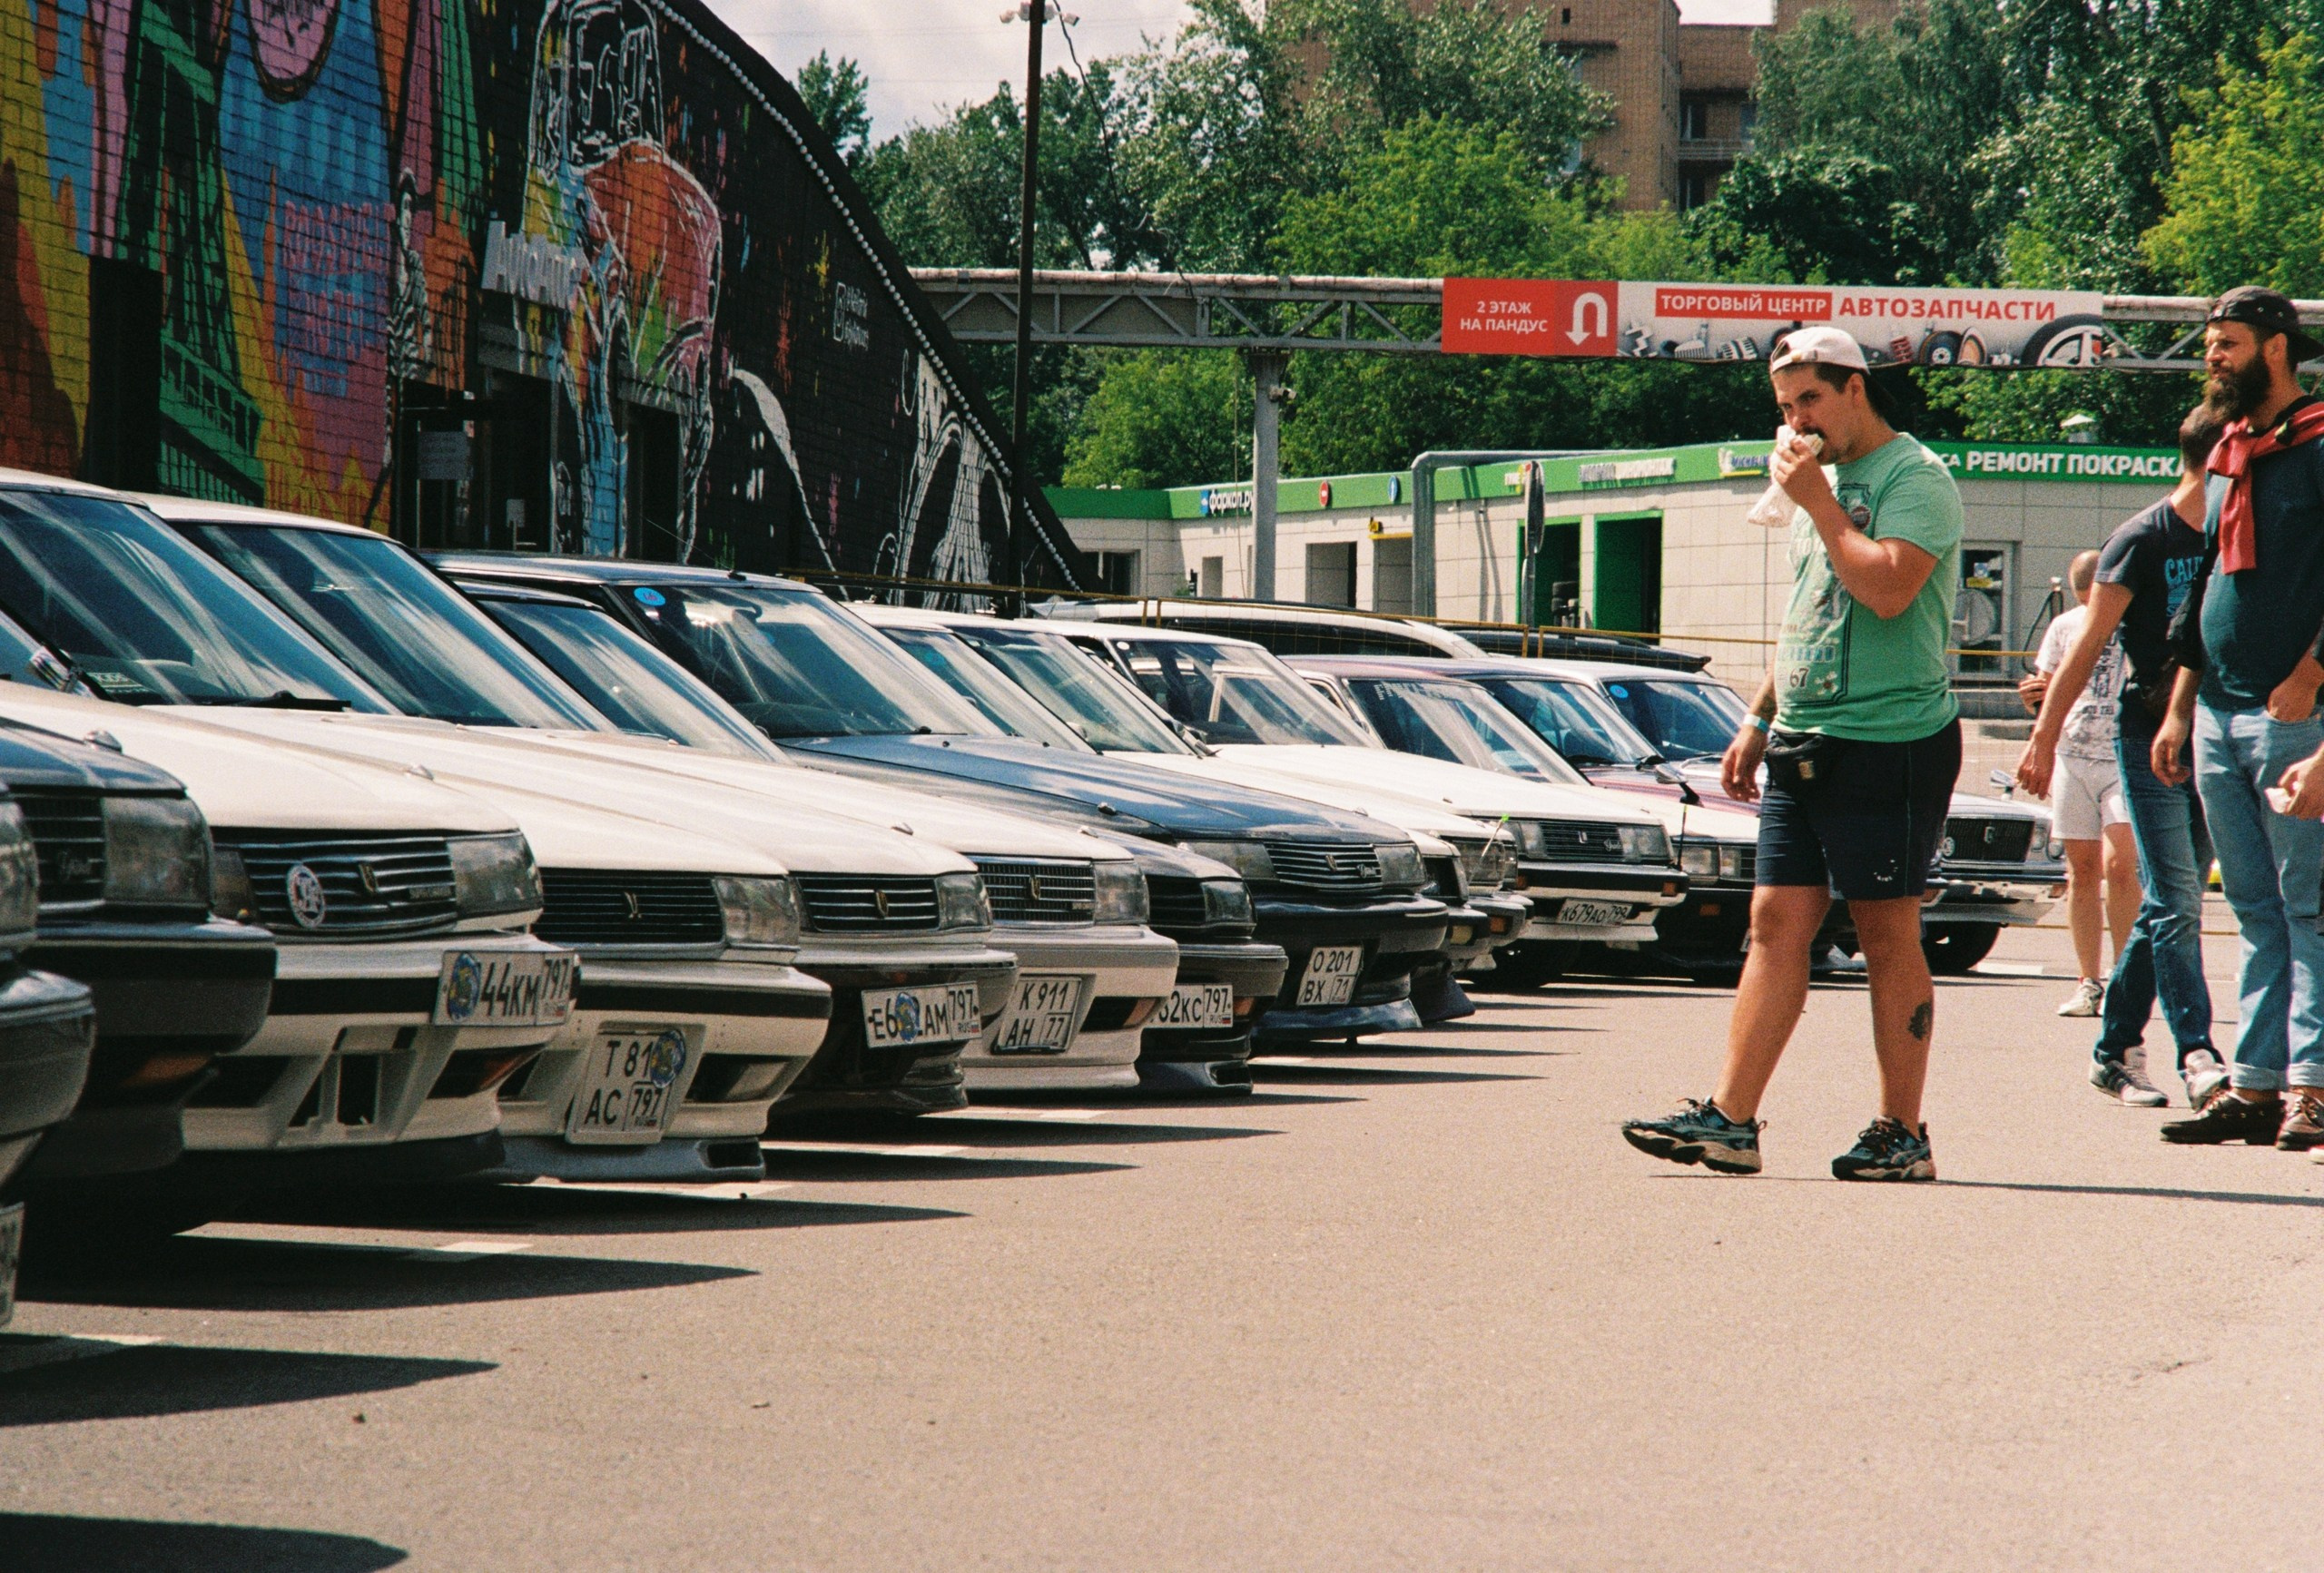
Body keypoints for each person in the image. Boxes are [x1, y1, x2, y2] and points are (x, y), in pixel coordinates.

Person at [1623, 327, 1962, 1181]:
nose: (1797, 420)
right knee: (1774, 923)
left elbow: (1886, 588)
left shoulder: (1914, 478)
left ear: (1856, 388)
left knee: (1888, 932)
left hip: (1893, 741)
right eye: (1784, 406)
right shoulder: (1820, 483)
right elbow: (1810, 606)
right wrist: (1758, 716)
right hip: (1804, 735)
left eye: (1810, 399)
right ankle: (1732, 1120)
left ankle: (1902, 1131)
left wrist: (1816, 500)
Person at [2150, 286, 2324, 1148]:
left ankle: (2312, 1084)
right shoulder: (2232, 448)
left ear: (2278, 348)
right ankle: (2254, 1086)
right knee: (2253, 907)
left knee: (2310, 905)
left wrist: (2315, 671)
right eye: (2209, 344)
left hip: (2298, 712)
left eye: (2227, 343)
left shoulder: (2321, 442)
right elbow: (2210, 584)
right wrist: (2181, 706)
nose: (2211, 357)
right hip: (2217, 711)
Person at [2015, 408, 2226, 1108]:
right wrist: (2044, 736)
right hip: (2147, 740)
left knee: (2174, 900)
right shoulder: (2141, 538)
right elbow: (2085, 645)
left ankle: (2111, 1050)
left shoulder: (2240, 530)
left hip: (2216, 734)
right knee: (2173, 900)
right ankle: (2197, 1051)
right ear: (2220, 455)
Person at [2019, 550, 2138, 1018]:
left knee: (2120, 866)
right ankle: (2089, 981)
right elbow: (2044, 688)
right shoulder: (2064, 627)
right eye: (2085, 599)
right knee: (2081, 872)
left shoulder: (2134, 621)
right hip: (2073, 754)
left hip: (2121, 756)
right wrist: (2034, 703)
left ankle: (2128, 979)